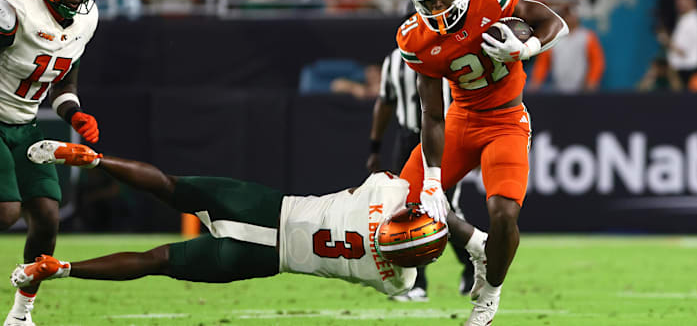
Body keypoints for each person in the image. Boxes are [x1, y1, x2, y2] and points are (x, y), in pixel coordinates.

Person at [12, 140, 490, 310]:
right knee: (154, 262)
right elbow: (411, 251)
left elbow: (413, 175)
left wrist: (434, 207)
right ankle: (61, 268)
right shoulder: (398, 278)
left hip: (264, 207)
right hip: (260, 260)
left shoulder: (384, 194)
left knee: (169, 186)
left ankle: (93, 160)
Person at [396, 0, 568, 325]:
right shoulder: (417, 38)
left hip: (506, 120)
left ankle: (488, 297)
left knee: (504, 213)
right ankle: (477, 245)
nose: (437, 11)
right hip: (460, 119)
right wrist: (433, 180)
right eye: (428, 3)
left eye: (442, 0)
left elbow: (556, 22)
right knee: (402, 203)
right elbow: (432, 114)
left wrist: (526, 48)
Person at [0, 0, 101, 326]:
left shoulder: (86, 20)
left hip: (25, 124)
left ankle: (20, 315)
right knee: (6, 211)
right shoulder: (13, 10)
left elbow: (63, 80)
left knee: (46, 217)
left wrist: (73, 113)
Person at [367, 47, 474, 301]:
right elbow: (385, 101)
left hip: (442, 136)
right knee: (408, 206)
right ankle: (419, 280)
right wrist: (375, 145)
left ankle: (473, 261)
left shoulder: (450, 52)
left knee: (443, 207)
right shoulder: (393, 59)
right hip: (408, 139)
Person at [529, 5, 605, 93]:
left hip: (582, 88)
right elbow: (543, 63)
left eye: (572, 15)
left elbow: (596, 61)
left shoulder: (587, 36)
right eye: (567, 15)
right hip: (559, 87)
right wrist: (536, 81)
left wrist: (592, 80)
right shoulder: (555, 37)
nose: (570, 18)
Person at [657, 0, 697, 86]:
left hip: (687, 71)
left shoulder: (692, 21)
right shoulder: (686, 19)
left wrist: (665, 40)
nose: (680, 2)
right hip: (682, 70)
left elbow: (682, 51)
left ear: (694, 1)